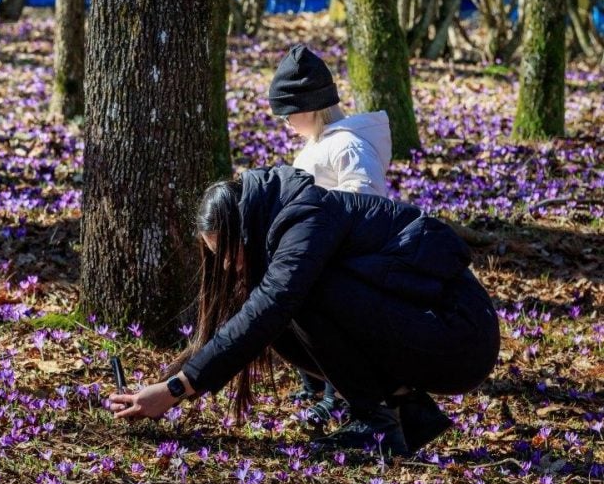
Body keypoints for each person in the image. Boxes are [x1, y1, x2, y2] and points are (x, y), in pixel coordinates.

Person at [108, 167, 500, 456]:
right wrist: (164, 386)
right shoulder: (275, 224)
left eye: (228, 253)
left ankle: (375, 421)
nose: (227, 267)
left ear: (243, 228)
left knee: (293, 299)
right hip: (426, 329)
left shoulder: (306, 217)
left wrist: (177, 390)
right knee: (275, 313)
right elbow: (238, 325)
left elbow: (270, 307)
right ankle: (403, 412)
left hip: (459, 335)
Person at [269, 44, 393, 421]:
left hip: (342, 259)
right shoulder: (322, 143)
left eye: (289, 115)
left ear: (309, 107)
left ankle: (335, 394)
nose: (287, 123)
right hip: (318, 252)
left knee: (332, 326)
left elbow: (366, 207)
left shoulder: (349, 146)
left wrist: (328, 240)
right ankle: (313, 384)